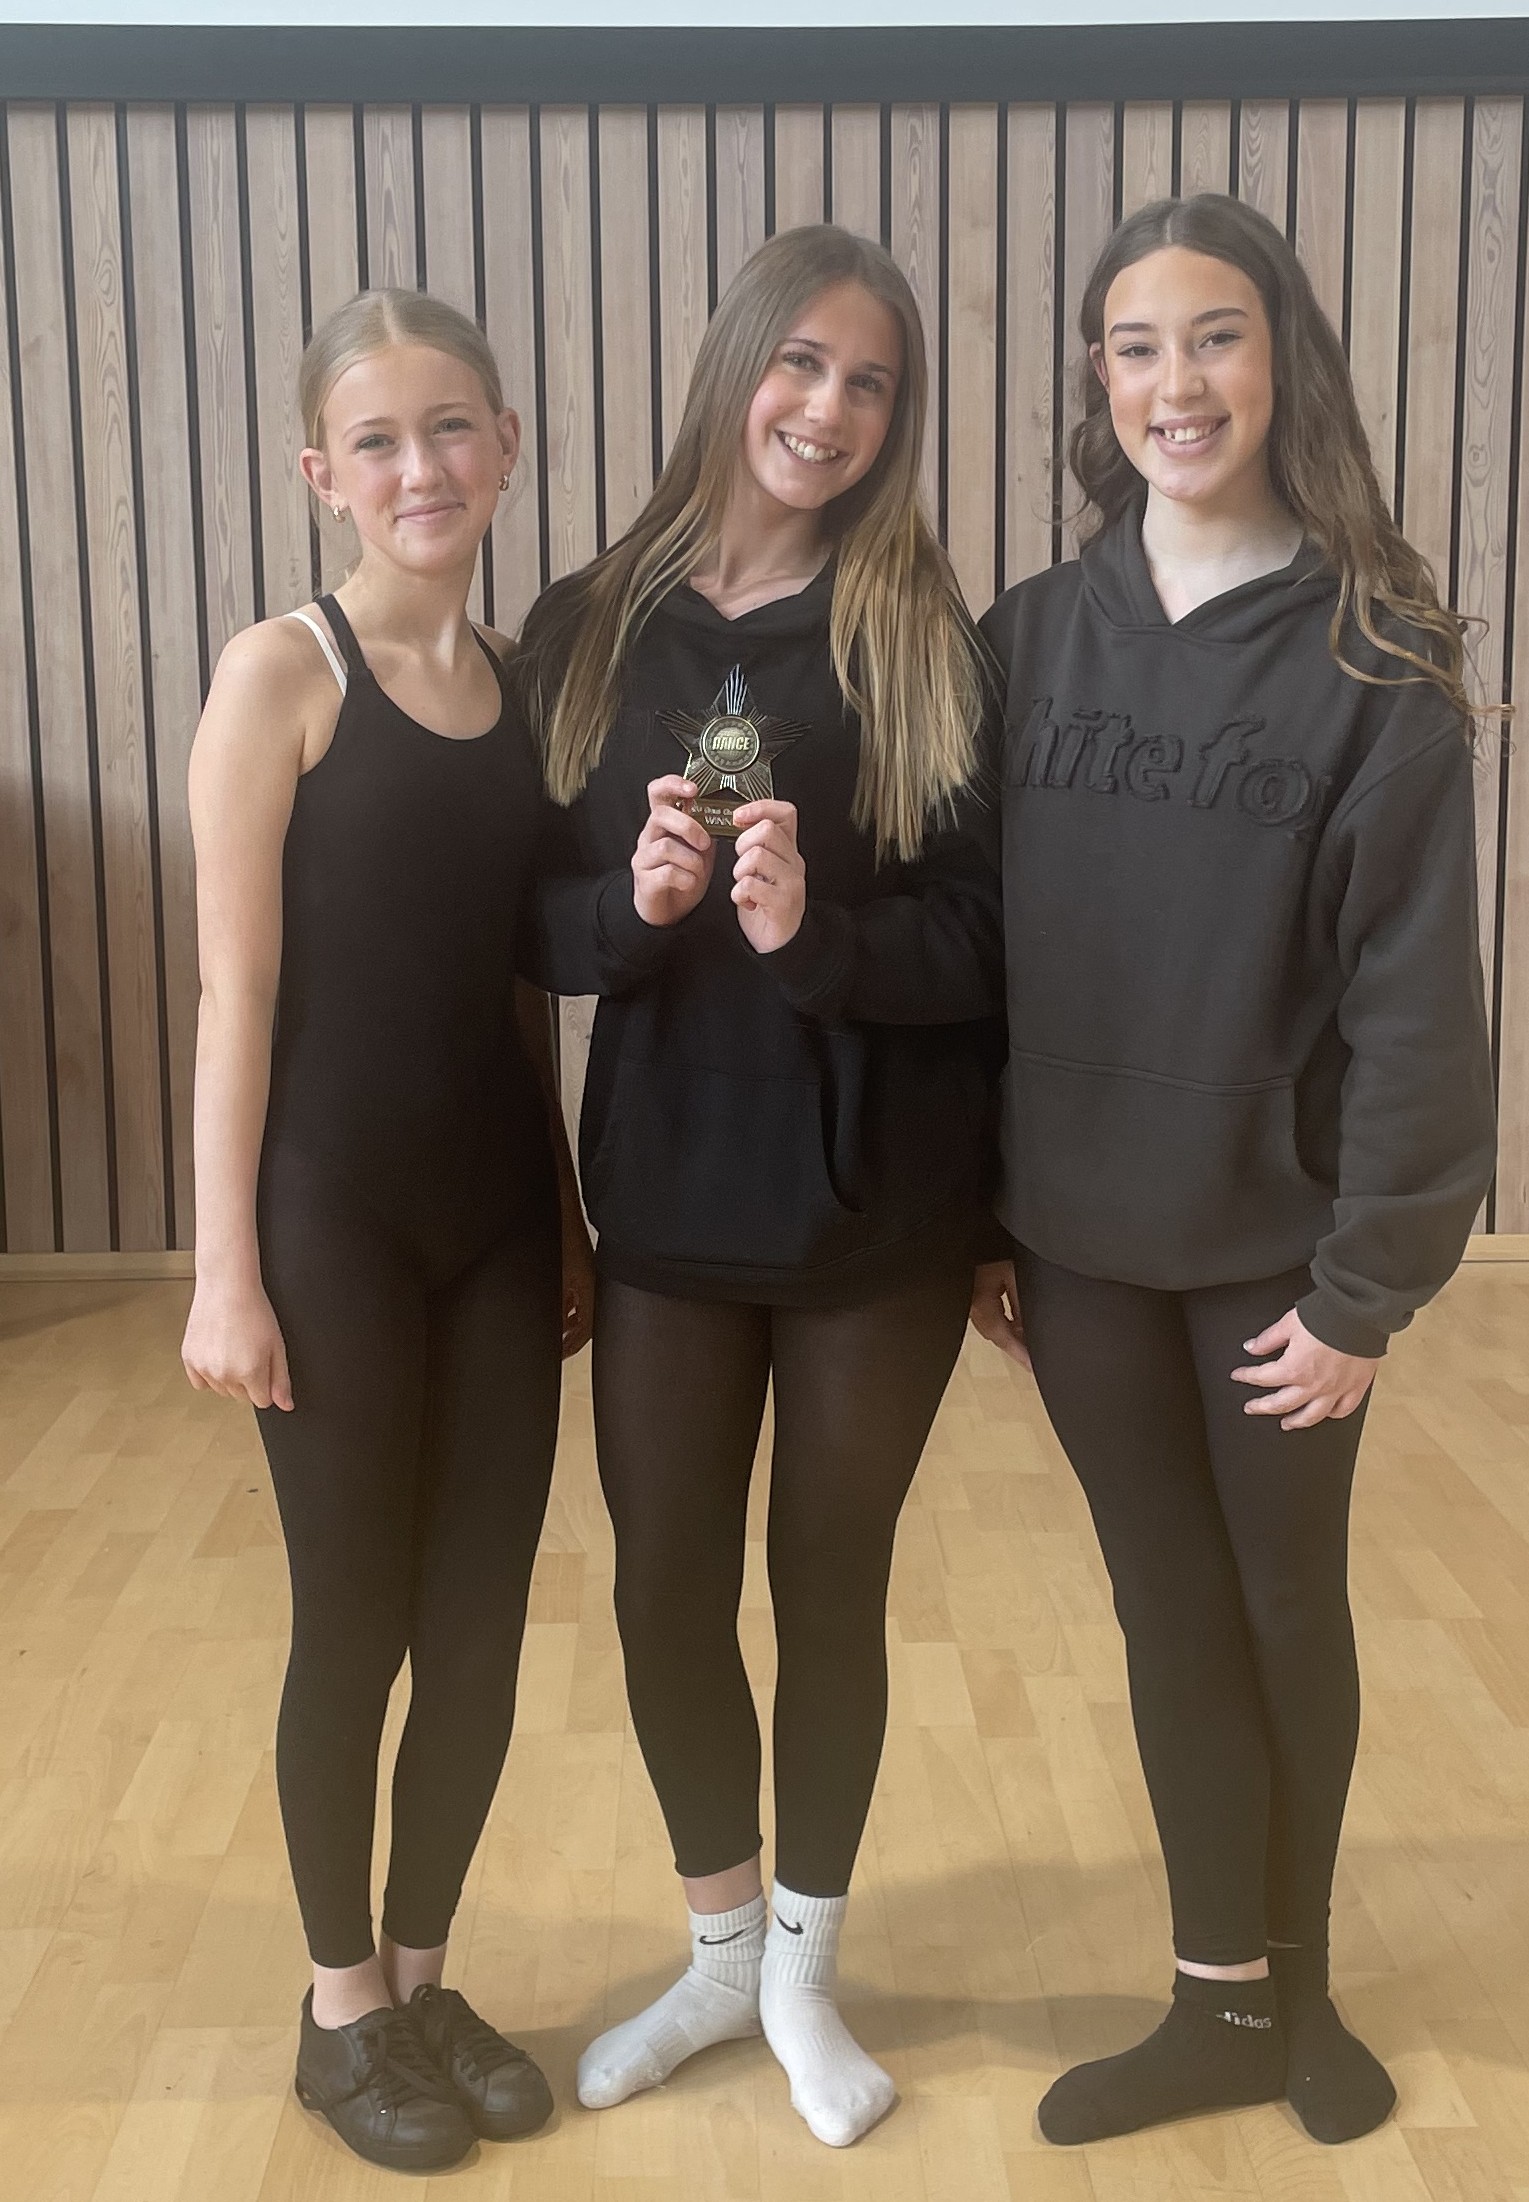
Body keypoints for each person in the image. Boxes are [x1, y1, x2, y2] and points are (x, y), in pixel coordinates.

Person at [970, 193, 1497, 2151]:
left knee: (1285, 1609)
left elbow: (1418, 1010)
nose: (1172, 382)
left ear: (1277, 363)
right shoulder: (1027, 638)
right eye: (1133, 346)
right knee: (1162, 1611)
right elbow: (971, 955)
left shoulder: (1372, 652)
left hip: (1276, 1262)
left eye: (1210, 338)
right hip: (1082, 1252)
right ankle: (1208, 2001)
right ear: (1095, 388)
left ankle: (1307, 1993)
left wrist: (1366, 1288)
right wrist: (981, 1225)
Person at [515, 223, 1002, 2149]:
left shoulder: (923, 637)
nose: (830, 409)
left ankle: (803, 1962)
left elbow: (985, 941)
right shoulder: (587, 624)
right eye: (802, 364)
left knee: (834, 1585)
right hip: (672, 1200)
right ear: (734, 368)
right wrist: (628, 914)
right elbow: (528, 922)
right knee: (659, 1593)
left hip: (880, 1204)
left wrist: (823, 940)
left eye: (871, 382)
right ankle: (719, 1943)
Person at [182, 288, 591, 2174]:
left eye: (453, 428)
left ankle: (423, 1977)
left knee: (485, 1626)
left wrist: (571, 1214)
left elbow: (521, 992)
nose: (419, 466)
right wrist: (222, 1270)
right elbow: (234, 997)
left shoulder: (521, 688)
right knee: (354, 1623)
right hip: (332, 1225)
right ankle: (339, 2003)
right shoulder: (286, 676)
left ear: (506, 445)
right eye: (377, 440)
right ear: (318, 472)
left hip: (500, 1226)